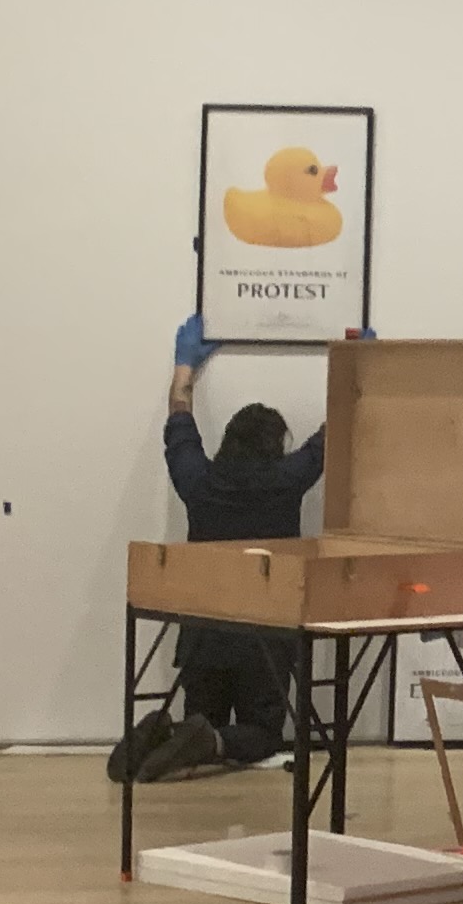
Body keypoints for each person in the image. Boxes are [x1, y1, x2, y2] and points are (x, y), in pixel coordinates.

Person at [125, 314, 328, 782]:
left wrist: (185, 365)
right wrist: (364, 366)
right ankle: (210, 741)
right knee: (262, 734)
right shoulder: (286, 480)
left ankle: (161, 735)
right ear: (275, 447)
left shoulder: (199, 481)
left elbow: (179, 412)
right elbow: (333, 433)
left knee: (203, 718)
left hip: (204, 634)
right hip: (264, 637)